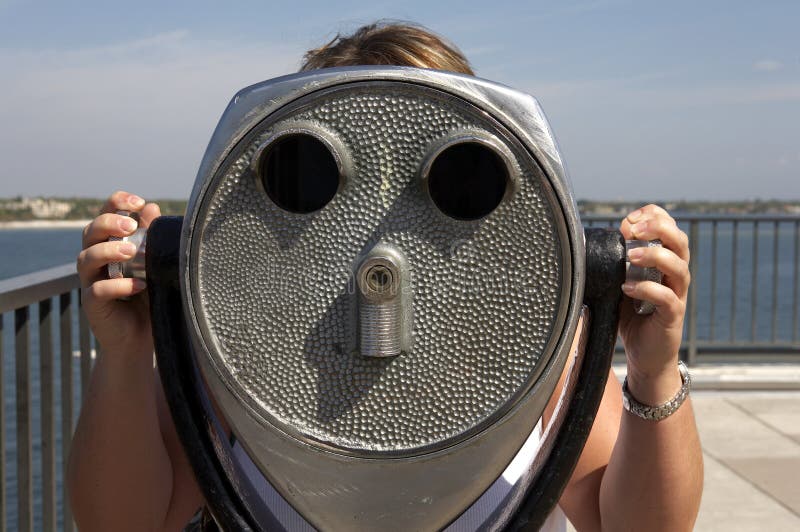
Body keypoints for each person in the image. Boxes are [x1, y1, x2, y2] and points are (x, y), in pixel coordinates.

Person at [68, 22, 703, 532]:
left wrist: (654, 370)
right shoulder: (235, 347)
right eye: (303, 177)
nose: (382, 236)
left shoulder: (542, 343)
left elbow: (638, 525)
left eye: (463, 183)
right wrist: (125, 353)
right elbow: (123, 521)